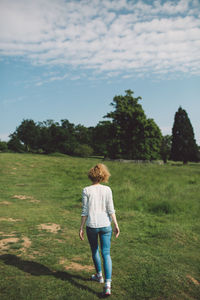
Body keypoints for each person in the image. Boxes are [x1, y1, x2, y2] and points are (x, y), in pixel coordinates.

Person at [79, 163, 120, 296]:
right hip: (106, 226)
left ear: (91, 176)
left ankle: (99, 275)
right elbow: (111, 209)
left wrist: (80, 228)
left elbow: (84, 211)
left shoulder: (86, 190)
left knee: (95, 250)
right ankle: (107, 285)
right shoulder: (107, 190)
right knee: (106, 253)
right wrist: (116, 224)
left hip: (91, 225)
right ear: (103, 176)